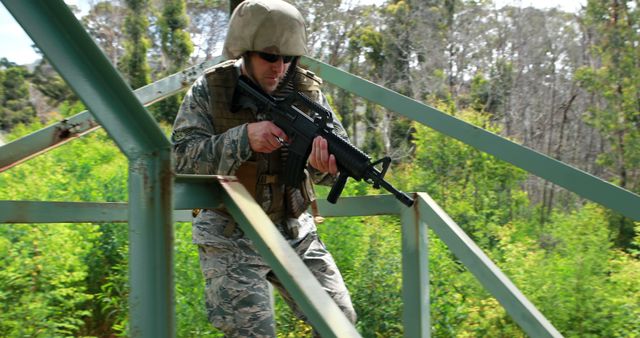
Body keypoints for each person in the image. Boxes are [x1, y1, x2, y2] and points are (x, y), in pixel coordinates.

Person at [170, 0, 357, 336]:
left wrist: (323, 167)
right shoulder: (212, 89)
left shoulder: (307, 90)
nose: (280, 68)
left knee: (340, 322)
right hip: (231, 235)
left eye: (288, 58)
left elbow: (335, 166)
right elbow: (181, 157)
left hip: (294, 231)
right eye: (270, 57)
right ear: (245, 52)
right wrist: (244, 138)